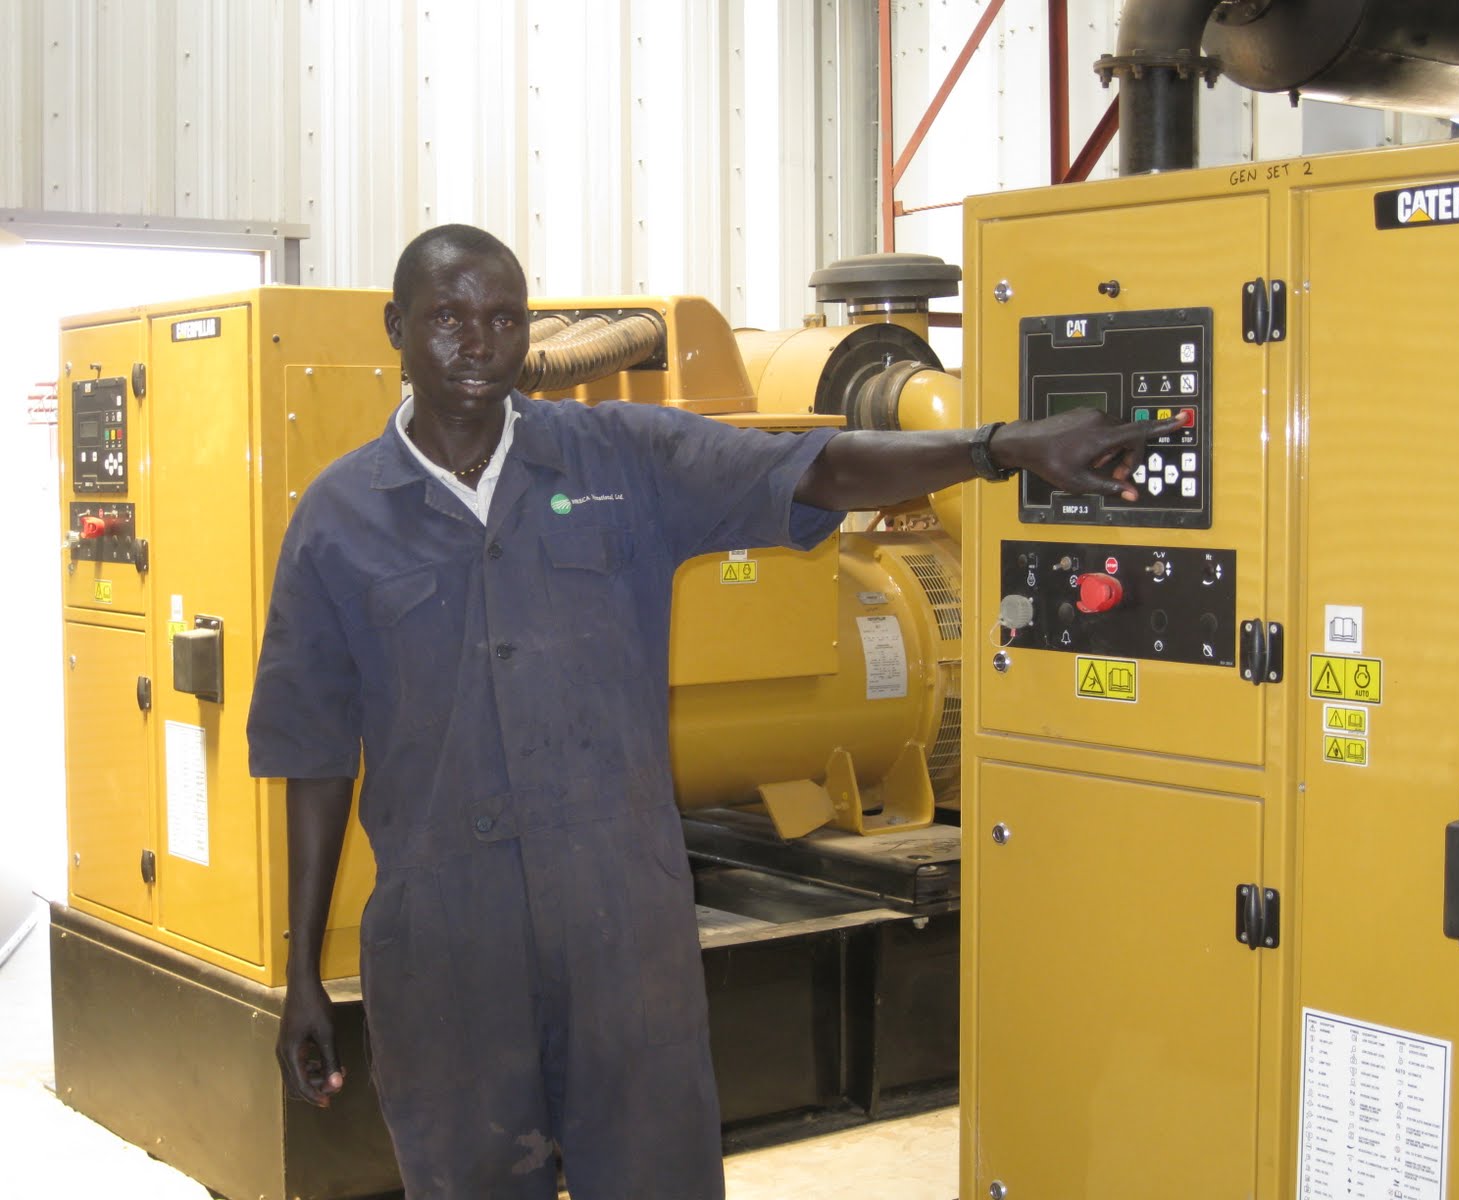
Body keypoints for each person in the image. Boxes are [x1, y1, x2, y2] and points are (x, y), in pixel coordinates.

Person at [247, 224, 1182, 1200]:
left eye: (501, 319)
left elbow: (817, 468)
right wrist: (302, 971)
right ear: (397, 328)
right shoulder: (337, 519)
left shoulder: (620, 459)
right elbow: (312, 752)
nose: (475, 342)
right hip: (448, 954)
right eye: (446, 318)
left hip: (623, 940)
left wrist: (1000, 449)